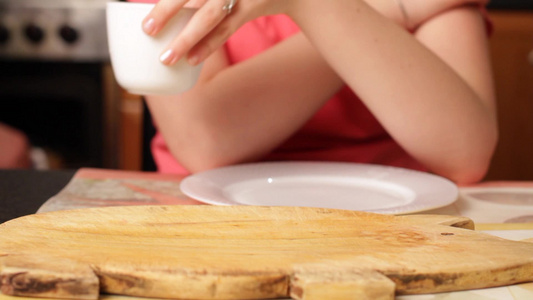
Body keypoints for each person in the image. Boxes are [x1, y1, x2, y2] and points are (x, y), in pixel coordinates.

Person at [130, 0, 497, 184]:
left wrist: (315, 5)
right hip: (202, 220)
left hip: (393, 222)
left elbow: (464, 152)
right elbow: (204, 142)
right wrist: (391, 9)